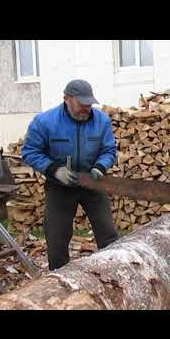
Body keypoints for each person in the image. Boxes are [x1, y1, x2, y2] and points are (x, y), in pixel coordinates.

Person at [22, 79, 118, 270]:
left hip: (92, 183)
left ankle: (115, 272)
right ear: (67, 99)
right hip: (60, 186)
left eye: (89, 104)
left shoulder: (101, 121)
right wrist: (54, 169)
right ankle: (59, 280)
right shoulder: (44, 122)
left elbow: (109, 151)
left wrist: (100, 166)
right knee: (56, 237)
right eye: (81, 104)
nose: (86, 109)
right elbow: (30, 152)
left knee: (108, 233)